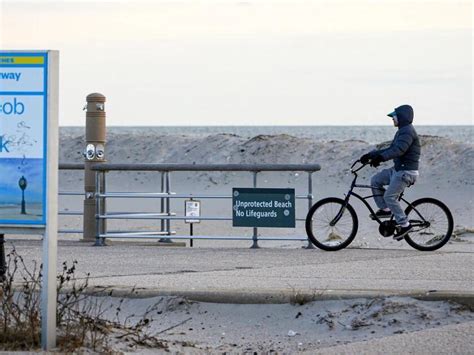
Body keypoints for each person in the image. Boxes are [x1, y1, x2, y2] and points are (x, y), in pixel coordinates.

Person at [360, 104, 421, 240]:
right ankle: (386, 209)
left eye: (394, 117)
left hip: (406, 172)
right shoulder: (402, 131)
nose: (392, 119)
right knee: (376, 180)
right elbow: (390, 148)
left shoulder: (407, 132)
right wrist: (371, 155)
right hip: (398, 170)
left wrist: (381, 158)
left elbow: (399, 150)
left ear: (402, 117)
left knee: (389, 196)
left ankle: (405, 225)